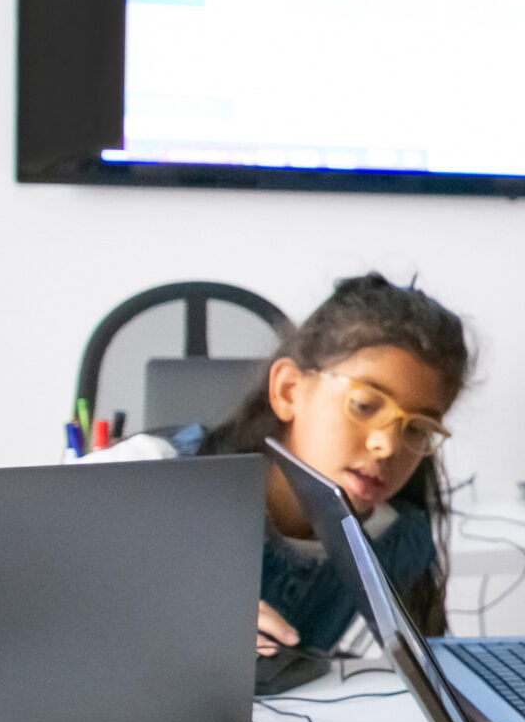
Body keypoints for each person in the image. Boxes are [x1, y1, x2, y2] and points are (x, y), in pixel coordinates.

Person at [89, 273, 471, 667]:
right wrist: (171, 614)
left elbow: (427, 682)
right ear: (289, 390)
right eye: (364, 405)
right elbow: (30, 586)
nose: (387, 445)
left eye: (418, 429)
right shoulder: (150, 475)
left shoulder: (396, 539)